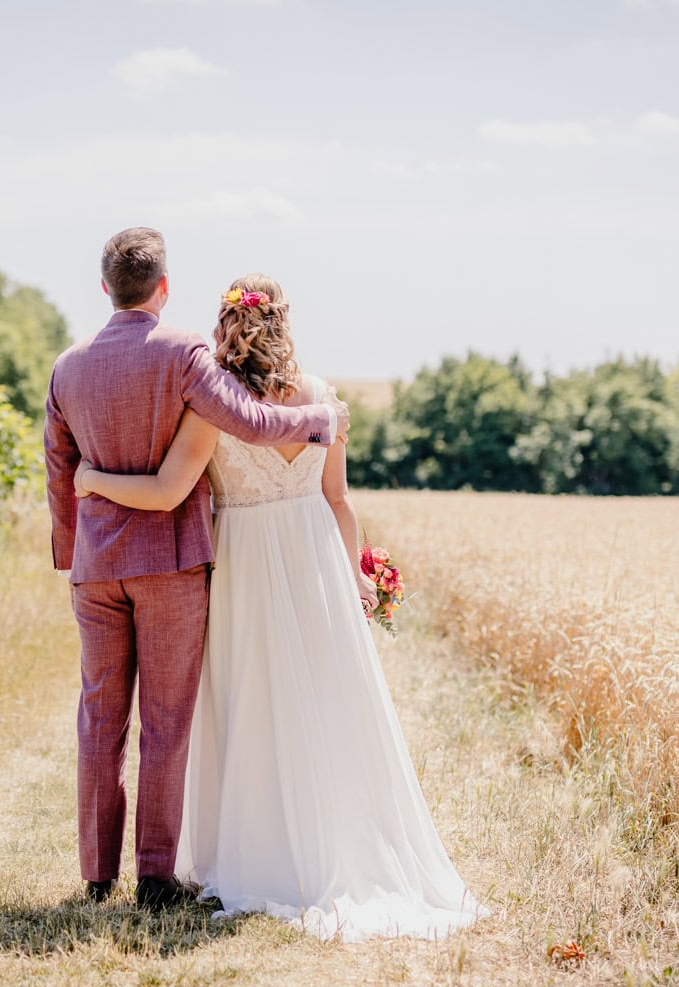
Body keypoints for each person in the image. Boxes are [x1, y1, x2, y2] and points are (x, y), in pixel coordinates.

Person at [73, 273, 486, 940]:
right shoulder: (323, 399)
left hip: (244, 561)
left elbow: (168, 489)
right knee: (322, 700)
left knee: (250, 701)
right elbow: (339, 500)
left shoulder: (212, 404)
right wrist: (356, 578)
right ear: (284, 325)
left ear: (226, 327)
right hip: (314, 555)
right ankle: (330, 845)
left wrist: (92, 480)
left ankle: (254, 850)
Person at [43, 229, 350, 911]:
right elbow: (245, 418)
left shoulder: (67, 367)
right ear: (164, 286)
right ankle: (154, 878)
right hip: (169, 564)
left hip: (96, 570)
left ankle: (97, 876)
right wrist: (320, 421)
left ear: (104, 288)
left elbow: (58, 469)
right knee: (166, 720)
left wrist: (72, 552)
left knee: (99, 716)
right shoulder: (182, 353)